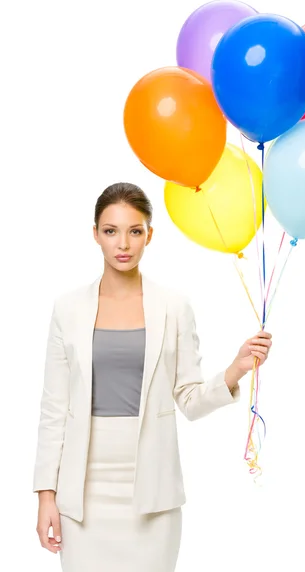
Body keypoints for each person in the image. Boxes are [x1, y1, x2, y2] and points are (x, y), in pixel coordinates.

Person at [33, 182, 272, 572]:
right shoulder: (68, 308)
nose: (122, 243)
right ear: (95, 234)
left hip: (153, 492)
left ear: (150, 235)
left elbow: (190, 400)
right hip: (82, 494)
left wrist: (236, 368)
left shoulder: (174, 307)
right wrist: (46, 496)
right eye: (111, 231)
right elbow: (53, 410)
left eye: (135, 230)